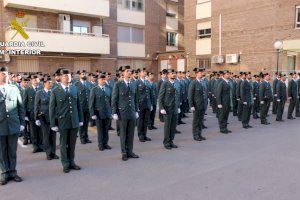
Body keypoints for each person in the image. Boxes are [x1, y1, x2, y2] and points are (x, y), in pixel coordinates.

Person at [49, 68, 83, 173]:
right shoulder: (55, 91)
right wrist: (53, 124)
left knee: (72, 143)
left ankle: (72, 162)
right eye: (65, 75)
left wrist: (80, 119)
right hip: (63, 121)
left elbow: (78, 106)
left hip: (74, 121)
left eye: (68, 75)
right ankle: (65, 164)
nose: (67, 77)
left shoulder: (74, 89)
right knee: (63, 144)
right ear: (60, 77)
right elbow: (52, 108)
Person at [0, 66, 25, 185]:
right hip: (0, 126)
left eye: (5, 74)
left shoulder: (14, 88)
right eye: (2, 74)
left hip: (13, 124)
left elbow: (20, 106)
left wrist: (22, 123)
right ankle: (4, 173)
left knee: (12, 150)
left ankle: (13, 172)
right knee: (2, 151)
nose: (4, 76)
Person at [111, 65, 139, 161]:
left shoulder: (133, 83)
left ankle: (130, 151)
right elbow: (114, 99)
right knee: (123, 134)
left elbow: (135, 98)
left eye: (130, 71)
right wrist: (114, 112)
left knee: (131, 133)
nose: (130, 72)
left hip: (131, 112)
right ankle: (124, 152)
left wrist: (136, 110)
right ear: (123, 73)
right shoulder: (118, 84)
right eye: (127, 71)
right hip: (122, 113)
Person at [34, 76, 59, 160]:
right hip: (44, 117)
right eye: (49, 82)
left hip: (53, 117)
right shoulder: (39, 93)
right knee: (46, 135)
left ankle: (53, 152)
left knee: (53, 135)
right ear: (44, 83)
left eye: (51, 82)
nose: (51, 84)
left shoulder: (54, 92)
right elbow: (36, 106)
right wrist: (36, 118)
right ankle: (48, 153)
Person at [158, 69, 181, 149]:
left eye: (174, 73)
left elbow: (178, 96)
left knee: (173, 126)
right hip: (167, 108)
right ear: (168, 75)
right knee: (167, 126)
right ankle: (166, 142)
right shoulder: (165, 83)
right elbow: (160, 96)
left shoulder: (177, 83)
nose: (174, 74)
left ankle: (171, 141)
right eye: (172, 73)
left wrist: (178, 106)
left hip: (174, 108)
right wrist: (161, 108)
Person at [89, 74, 112, 151]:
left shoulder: (108, 89)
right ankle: (101, 144)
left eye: (104, 79)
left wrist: (111, 111)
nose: (103, 81)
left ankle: (105, 143)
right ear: (98, 80)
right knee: (100, 130)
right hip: (99, 113)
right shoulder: (94, 89)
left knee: (106, 129)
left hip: (107, 112)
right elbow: (91, 103)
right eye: (101, 79)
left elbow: (110, 101)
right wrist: (92, 114)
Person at [23, 74, 43, 153]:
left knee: (41, 131)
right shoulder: (27, 90)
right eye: (34, 80)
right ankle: (35, 146)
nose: (35, 81)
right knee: (33, 131)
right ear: (31, 81)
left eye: (37, 79)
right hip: (31, 114)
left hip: (41, 113)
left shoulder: (42, 88)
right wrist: (25, 114)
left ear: (39, 80)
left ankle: (41, 145)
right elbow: (24, 103)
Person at [74, 70, 92, 144]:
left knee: (86, 123)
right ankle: (82, 138)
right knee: (81, 123)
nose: (84, 75)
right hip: (81, 107)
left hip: (87, 106)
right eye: (82, 74)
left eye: (85, 74)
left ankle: (86, 137)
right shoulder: (76, 84)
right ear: (79, 75)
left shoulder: (88, 83)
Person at [188, 68, 206, 141]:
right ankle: (195, 135)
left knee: (200, 121)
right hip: (196, 105)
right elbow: (190, 95)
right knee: (196, 121)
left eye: (202, 73)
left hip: (202, 105)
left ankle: (199, 134)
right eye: (200, 73)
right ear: (196, 74)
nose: (202, 74)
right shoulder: (193, 83)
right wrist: (191, 105)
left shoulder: (202, 82)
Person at [136, 68, 153, 142]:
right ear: (139, 73)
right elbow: (135, 95)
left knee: (146, 120)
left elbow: (150, 94)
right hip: (140, 104)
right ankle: (140, 135)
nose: (145, 73)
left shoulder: (147, 82)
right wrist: (136, 106)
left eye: (145, 71)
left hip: (147, 104)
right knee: (140, 121)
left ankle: (145, 135)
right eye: (143, 72)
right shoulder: (137, 82)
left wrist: (151, 104)